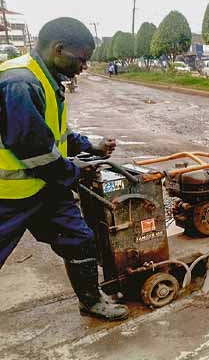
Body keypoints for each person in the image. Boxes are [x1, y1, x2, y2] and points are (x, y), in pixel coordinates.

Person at [0, 17, 129, 321]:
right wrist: (74, 173)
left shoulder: (45, 78)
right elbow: (34, 150)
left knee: (80, 239)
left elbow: (54, 134)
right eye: (82, 59)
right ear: (59, 49)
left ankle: (91, 300)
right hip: (9, 195)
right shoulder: (21, 82)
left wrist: (90, 146)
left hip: (44, 189)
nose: (84, 66)